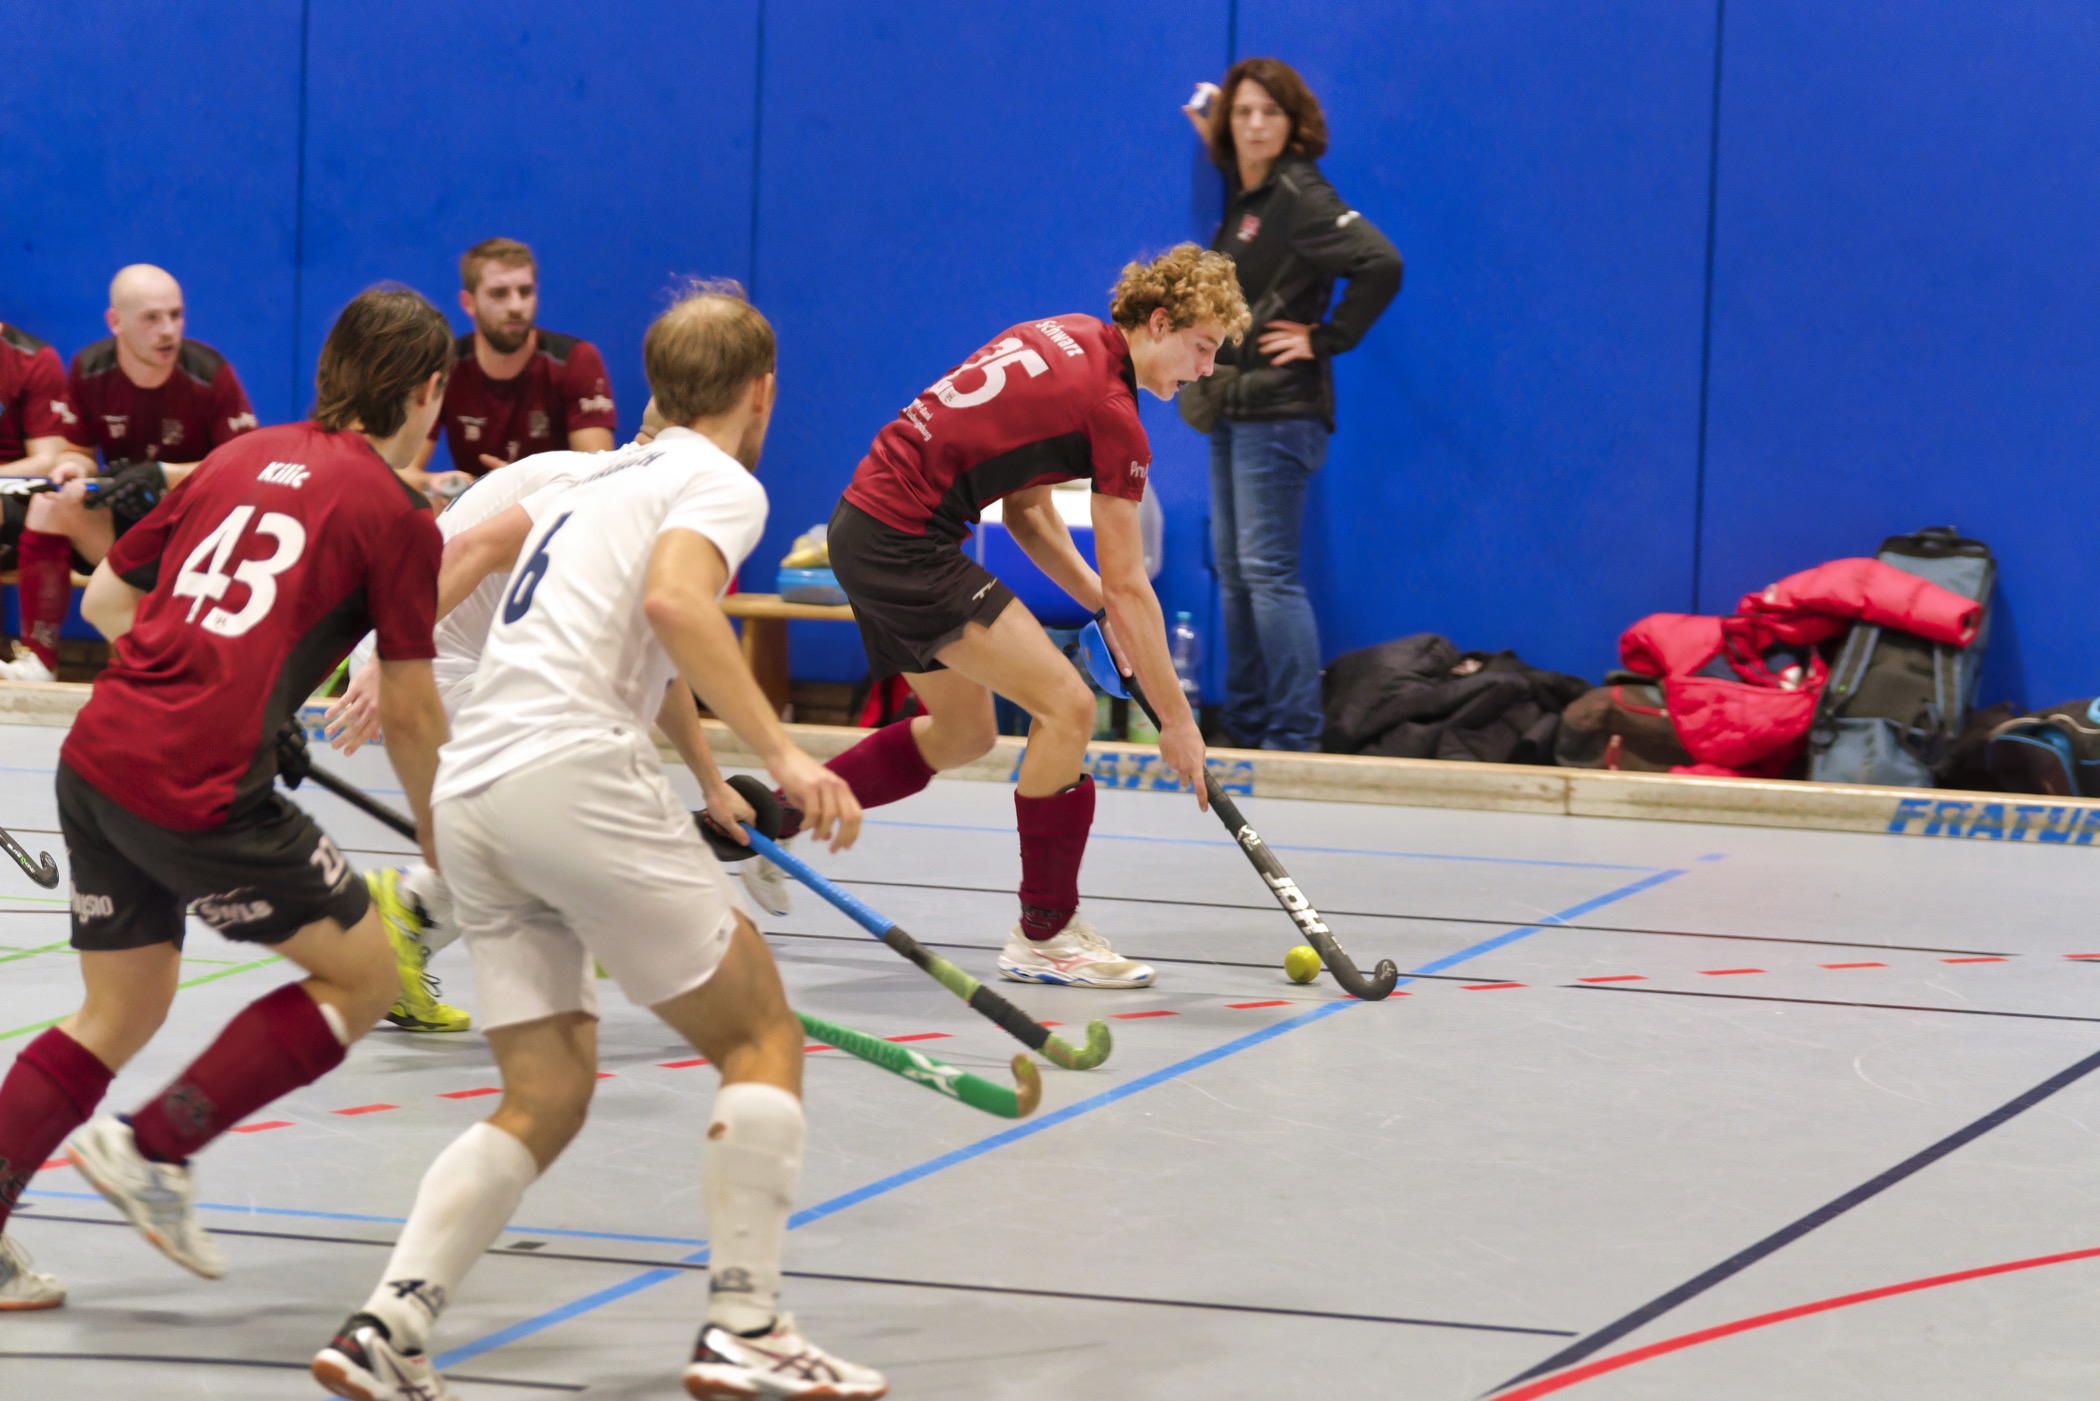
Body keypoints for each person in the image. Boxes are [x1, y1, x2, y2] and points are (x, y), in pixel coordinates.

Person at [311, 286, 882, 1400]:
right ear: (762, 393)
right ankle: (748, 1325)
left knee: (547, 1091)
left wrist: (380, 654)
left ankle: (390, 1323)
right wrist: (787, 753)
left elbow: (474, 545)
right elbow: (676, 607)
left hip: (474, 791)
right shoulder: (722, 481)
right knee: (762, 1034)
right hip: (571, 771)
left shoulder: (590, 475)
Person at [0, 285, 454, 1308]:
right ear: (427, 391)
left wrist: (225, 682)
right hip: (197, 786)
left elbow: (109, 600)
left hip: (98, 757)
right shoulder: (399, 515)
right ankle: (156, 1149)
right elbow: (414, 712)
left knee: (120, 1008)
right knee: (366, 975)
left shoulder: (238, 457)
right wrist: (445, 839)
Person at [770, 245, 1248, 991]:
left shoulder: (1064, 334)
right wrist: (1177, 721)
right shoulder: (1113, 414)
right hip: (906, 541)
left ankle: (765, 822)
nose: (1208, 369)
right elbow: (1132, 587)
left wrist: (1098, 605)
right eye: (1204, 346)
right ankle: (1045, 933)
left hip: (863, 524)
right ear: (1160, 323)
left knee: (964, 733)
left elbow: (1027, 514)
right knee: (1068, 706)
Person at [323, 398, 777, 1032]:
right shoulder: (595, 488)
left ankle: (415, 922)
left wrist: (710, 785)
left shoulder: (622, 486)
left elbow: (661, 665)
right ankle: (422, 902)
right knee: (556, 792)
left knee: (541, 800)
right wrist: (389, 656)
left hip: (447, 652)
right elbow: (470, 549)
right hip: (429, 653)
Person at [1181, 58, 1402, 750]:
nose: (1255, 125)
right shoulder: (1251, 195)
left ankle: (1294, 737)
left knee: (1267, 575)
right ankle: (1247, 727)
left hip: (1280, 413)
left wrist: (1324, 337)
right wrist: (1213, 131)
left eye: (1269, 113)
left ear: (1293, 122)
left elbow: (1381, 262)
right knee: (1236, 575)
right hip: (1232, 405)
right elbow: (1256, 221)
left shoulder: (1300, 192)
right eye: (1243, 112)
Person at [2, 265, 261, 682]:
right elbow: (79, 453)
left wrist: (163, 474)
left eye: (175, 315)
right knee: (49, 504)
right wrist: (73, 467)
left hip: (195, 532)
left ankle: (165, 664)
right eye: (151, 318)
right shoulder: (90, 368)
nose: (168, 331)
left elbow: (249, 468)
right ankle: (40, 661)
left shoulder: (209, 373)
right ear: (115, 322)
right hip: (129, 525)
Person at [405, 236, 616, 493]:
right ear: (468, 303)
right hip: (474, 509)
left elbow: (599, 480)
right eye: (499, 293)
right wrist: (436, 484)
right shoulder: (446, 366)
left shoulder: (576, 360)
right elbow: (400, 473)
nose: (516, 306)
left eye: (525, 292)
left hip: (553, 508)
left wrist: (521, 484)